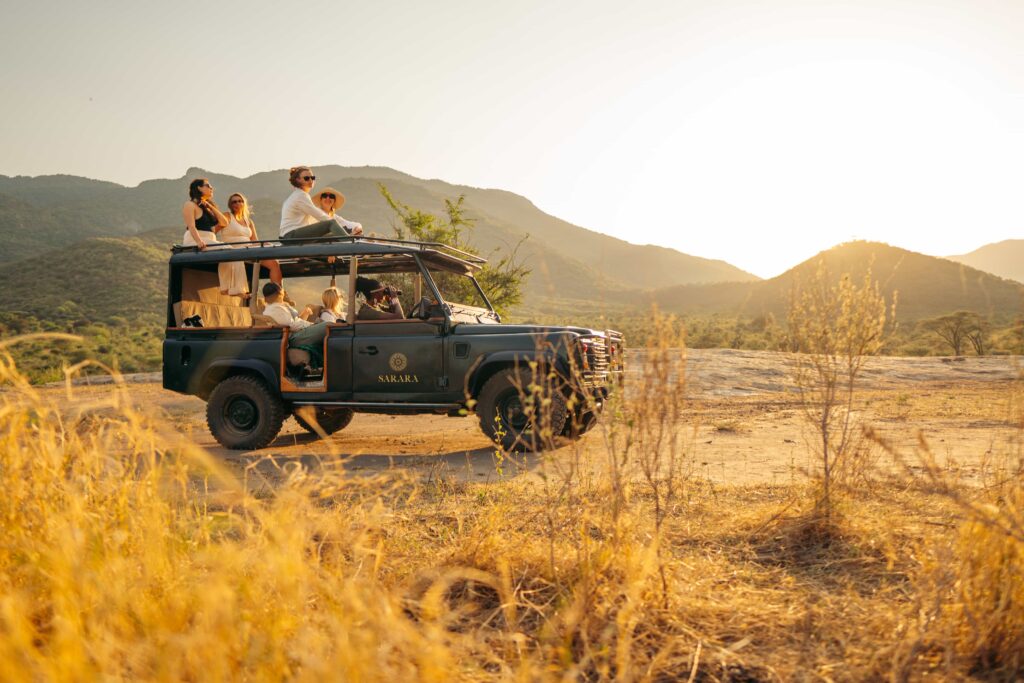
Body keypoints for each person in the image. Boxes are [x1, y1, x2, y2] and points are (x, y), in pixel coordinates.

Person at [218, 193, 283, 296]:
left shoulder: (249, 222)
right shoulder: (227, 216)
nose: (237, 203)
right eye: (234, 201)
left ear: (244, 203)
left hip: (249, 249)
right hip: (235, 249)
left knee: (274, 263)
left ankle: (279, 293)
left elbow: (254, 241)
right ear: (230, 205)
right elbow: (213, 230)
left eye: (240, 201)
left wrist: (264, 243)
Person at [279, 166, 363, 239]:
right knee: (331, 223)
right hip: (291, 235)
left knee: (333, 235)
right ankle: (349, 243)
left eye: (312, 178)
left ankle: (349, 240)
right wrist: (338, 228)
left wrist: (349, 230)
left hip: (291, 235)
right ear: (297, 180)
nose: (311, 180)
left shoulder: (298, 195)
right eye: (307, 178)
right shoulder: (300, 196)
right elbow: (319, 215)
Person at [262, 282, 329, 349]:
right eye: (281, 294)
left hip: (298, 333)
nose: (283, 296)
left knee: (326, 324)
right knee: (327, 326)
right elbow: (292, 326)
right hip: (294, 337)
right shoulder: (274, 310)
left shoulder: (278, 306)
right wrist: (310, 325)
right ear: (278, 294)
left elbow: (293, 322)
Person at [182, 178, 228, 249]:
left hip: (210, 240)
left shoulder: (208, 206)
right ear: (199, 188)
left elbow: (224, 223)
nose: (211, 188)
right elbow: (191, 226)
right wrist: (199, 241)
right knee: (227, 248)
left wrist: (210, 206)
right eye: (208, 185)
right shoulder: (190, 205)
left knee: (229, 248)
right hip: (196, 241)